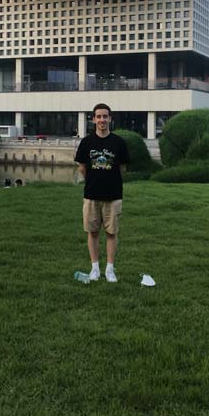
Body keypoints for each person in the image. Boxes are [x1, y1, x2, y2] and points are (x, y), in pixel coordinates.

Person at [74, 103, 129, 283]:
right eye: (98, 116)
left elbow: (122, 168)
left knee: (112, 233)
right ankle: (95, 268)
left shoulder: (119, 143)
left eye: (105, 116)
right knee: (93, 232)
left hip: (113, 195)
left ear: (110, 119)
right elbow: (82, 168)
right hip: (91, 194)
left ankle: (110, 269)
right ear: (93, 119)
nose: (102, 120)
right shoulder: (86, 142)